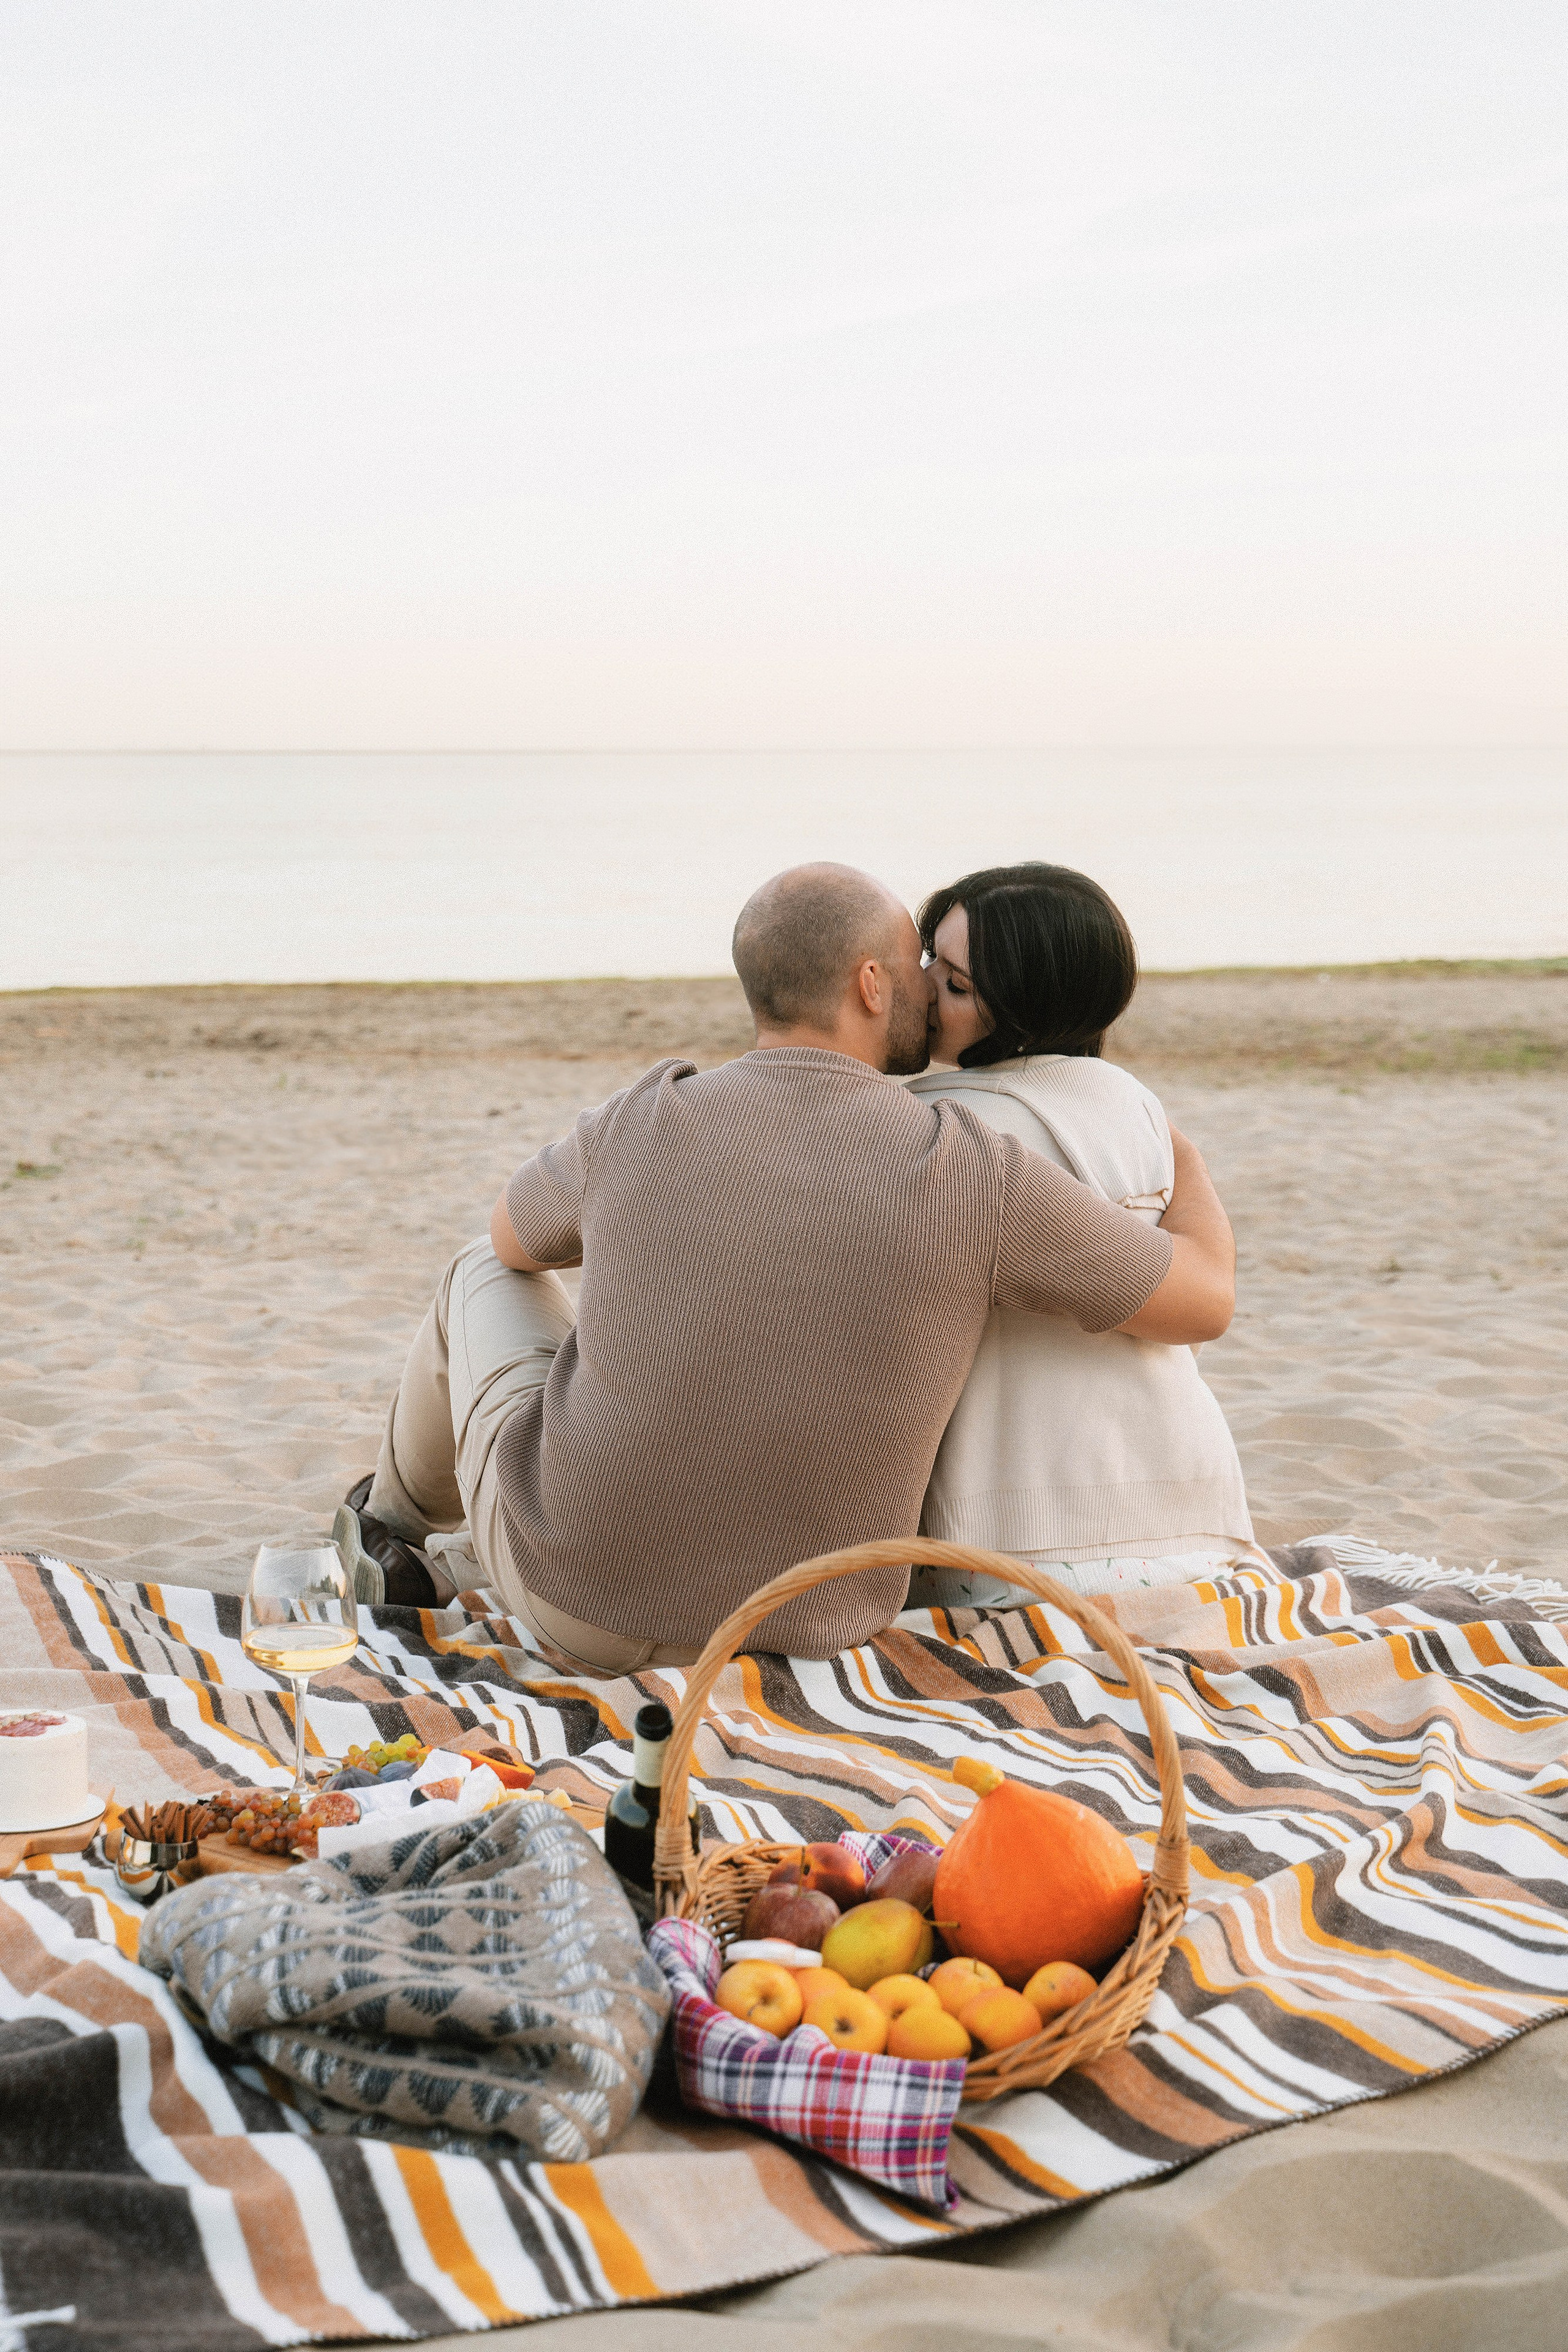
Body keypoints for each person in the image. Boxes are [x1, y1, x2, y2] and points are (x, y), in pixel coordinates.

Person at [337, 862, 1235, 1669]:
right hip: (810, 1629)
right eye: (922, 965)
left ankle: (390, 1526)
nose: (933, 988)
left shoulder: (643, 1116)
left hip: (573, 1604)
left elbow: (510, 1243)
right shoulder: (967, 1169)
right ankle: (400, 1527)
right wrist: (1180, 1160)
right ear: (871, 985)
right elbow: (1202, 1303)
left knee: (476, 1272)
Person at [905, 861, 1260, 1611]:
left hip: (1018, 1542)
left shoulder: (940, 1129)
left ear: (1028, 1013)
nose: (925, 987)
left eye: (959, 985)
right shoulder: (1130, 1102)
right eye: (929, 955)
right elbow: (1206, 1284)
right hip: (1194, 1519)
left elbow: (1205, 1305)